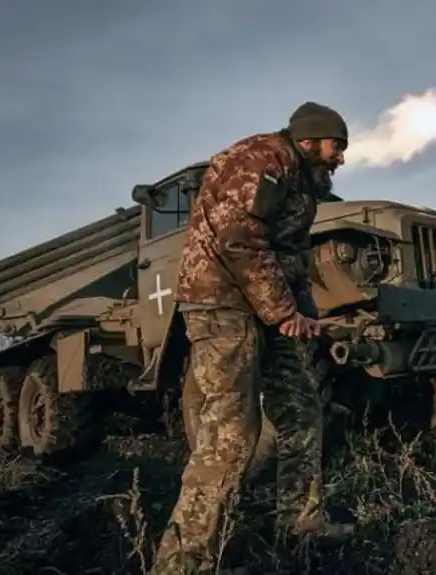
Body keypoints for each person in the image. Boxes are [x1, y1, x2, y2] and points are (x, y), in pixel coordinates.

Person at [151, 101, 352, 575]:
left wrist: (303, 317)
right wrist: (284, 311)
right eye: (336, 145)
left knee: (303, 410)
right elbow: (238, 237)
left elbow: (291, 257)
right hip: (222, 303)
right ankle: (183, 561)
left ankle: (300, 523)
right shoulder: (264, 159)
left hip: (264, 308)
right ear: (308, 140)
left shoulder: (302, 182)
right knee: (232, 432)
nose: (341, 157)